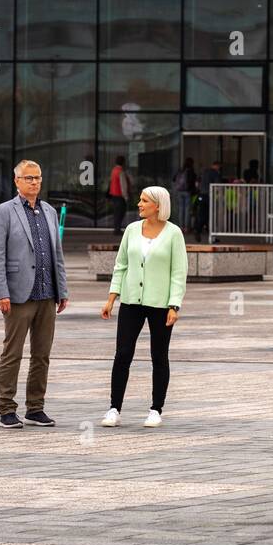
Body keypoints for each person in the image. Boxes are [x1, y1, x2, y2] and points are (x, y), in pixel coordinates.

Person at [0, 160, 69, 429]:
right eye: (28, 178)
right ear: (17, 182)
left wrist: (62, 290)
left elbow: (57, 254)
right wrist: (1, 292)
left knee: (42, 354)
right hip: (18, 295)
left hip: (46, 294)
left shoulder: (49, 211)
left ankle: (36, 407)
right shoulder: (4, 212)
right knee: (12, 353)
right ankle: (7, 409)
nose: (34, 182)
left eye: (38, 178)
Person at [100, 186, 188, 429]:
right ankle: (114, 408)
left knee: (159, 356)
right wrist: (111, 298)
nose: (139, 204)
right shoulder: (131, 230)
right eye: (139, 200)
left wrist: (174, 305)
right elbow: (121, 265)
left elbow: (179, 273)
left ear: (158, 205)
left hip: (161, 304)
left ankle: (156, 409)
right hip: (131, 301)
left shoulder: (174, 234)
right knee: (123, 354)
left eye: (144, 200)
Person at [195, 160, 222, 240]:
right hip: (209, 196)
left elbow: (197, 183)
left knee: (202, 214)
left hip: (201, 195)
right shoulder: (215, 173)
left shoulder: (204, 172)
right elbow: (217, 185)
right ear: (217, 166)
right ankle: (210, 235)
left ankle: (201, 232)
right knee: (209, 216)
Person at [172, 158, 196, 231]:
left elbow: (173, 179)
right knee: (187, 210)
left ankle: (180, 226)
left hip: (179, 191)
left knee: (181, 209)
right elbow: (193, 180)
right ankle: (186, 227)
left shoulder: (180, 170)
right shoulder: (190, 171)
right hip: (187, 191)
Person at [108, 156, 130, 235]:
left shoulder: (114, 170)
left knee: (116, 212)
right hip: (120, 195)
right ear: (123, 162)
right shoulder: (121, 172)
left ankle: (116, 228)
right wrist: (126, 196)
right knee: (120, 212)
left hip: (114, 194)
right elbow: (123, 185)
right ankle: (117, 229)